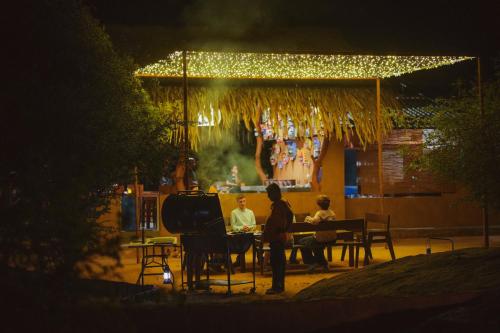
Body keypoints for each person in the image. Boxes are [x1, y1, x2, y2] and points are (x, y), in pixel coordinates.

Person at [262, 183, 294, 294]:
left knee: (277, 263)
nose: (268, 196)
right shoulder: (279, 203)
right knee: (276, 263)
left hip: (277, 238)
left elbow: (289, 215)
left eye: (269, 193)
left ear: (274, 193)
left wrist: (283, 230)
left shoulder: (280, 204)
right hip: (276, 238)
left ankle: (277, 287)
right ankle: (278, 286)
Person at [299, 195, 336, 272]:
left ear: (318, 205)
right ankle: (322, 262)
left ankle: (312, 262)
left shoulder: (319, 213)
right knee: (316, 245)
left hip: (321, 239)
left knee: (302, 241)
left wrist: (308, 218)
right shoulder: (332, 213)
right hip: (332, 239)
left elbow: (314, 222)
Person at [230, 194, 256, 266]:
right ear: (237, 202)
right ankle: (240, 259)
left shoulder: (250, 212)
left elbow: (254, 225)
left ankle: (260, 260)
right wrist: (242, 228)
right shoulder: (234, 212)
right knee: (242, 241)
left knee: (257, 240)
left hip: (249, 234)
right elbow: (233, 226)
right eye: (240, 202)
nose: (242, 203)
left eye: (244, 201)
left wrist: (248, 228)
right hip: (239, 235)